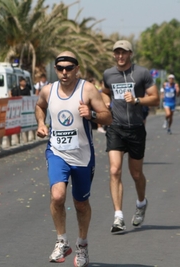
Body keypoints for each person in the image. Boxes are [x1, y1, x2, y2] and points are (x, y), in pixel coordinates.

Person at [35, 51, 112, 266]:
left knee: (81, 203)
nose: (64, 72)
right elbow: (39, 106)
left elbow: (108, 117)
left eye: (69, 68)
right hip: (57, 152)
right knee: (57, 196)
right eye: (60, 68)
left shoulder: (87, 89)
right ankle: (62, 241)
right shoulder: (48, 90)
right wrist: (41, 124)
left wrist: (92, 114)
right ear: (55, 69)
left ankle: (82, 245)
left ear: (77, 68)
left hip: (82, 156)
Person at [101, 40, 159, 234]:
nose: (120, 56)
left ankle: (141, 202)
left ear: (130, 53)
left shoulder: (141, 73)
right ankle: (118, 216)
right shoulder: (108, 74)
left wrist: (137, 100)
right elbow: (105, 92)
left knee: (136, 174)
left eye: (123, 52)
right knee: (115, 170)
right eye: (117, 53)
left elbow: (155, 98)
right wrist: (106, 103)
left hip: (135, 128)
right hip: (115, 127)